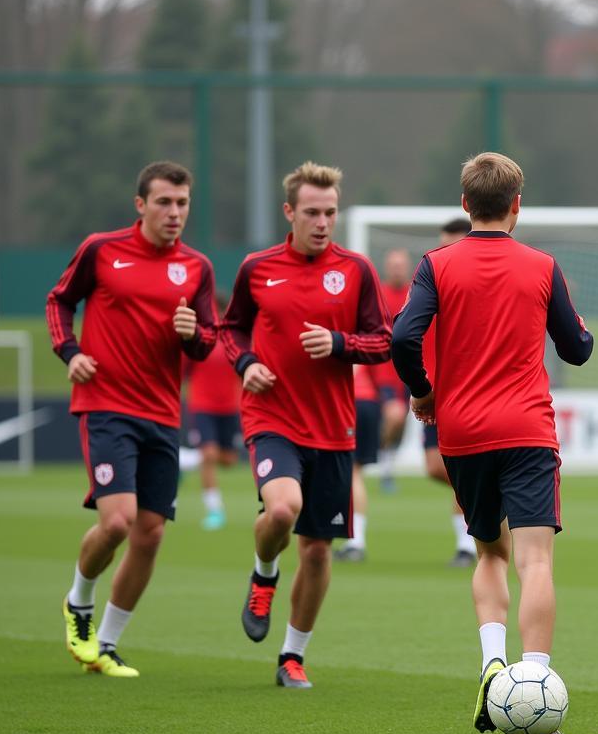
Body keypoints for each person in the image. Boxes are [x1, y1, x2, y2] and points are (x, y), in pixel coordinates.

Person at [392, 152, 593, 734]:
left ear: (464, 205)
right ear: (516, 206)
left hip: (463, 433)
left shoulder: (436, 264)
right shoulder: (541, 266)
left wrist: (424, 394)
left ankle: (492, 664)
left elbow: (404, 337)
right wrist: (581, 333)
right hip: (527, 430)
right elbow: (577, 349)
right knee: (536, 560)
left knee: (489, 552)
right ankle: (531, 680)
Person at [220, 161, 391, 689]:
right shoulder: (257, 267)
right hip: (273, 417)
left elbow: (383, 339)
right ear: (289, 212)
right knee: (282, 507)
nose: (323, 222)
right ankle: (263, 573)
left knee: (317, 548)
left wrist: (340, 344)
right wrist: (246, 364)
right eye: (312, 212)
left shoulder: (357, 270)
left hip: (334, 428)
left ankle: (292, 656)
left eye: (331, 212)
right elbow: (232, 329)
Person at [49, 161, 218, 677]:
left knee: (149, 533)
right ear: (140, 204)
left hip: (162, 412)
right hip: (105, 405)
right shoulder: (102, 249)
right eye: (164, 202)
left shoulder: (196, 267)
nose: (174, 212)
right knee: (118, 521)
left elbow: (208, 342)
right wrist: (69, 350)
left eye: (183, 203)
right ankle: (79, 603)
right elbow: (61, 301)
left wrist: (192, 333)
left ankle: (108, 644)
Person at [422, 218, 479, 568]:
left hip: (467, 393)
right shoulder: (430, 282)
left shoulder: (477, 291)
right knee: (435, 467)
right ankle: (488, 492)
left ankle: (466, 545)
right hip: (432, 392)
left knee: (462, 467)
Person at [184, 294, 244, 530]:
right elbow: (182, 370)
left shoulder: (234, 338)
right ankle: (214, 511)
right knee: (209, 455)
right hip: (202, 405)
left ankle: (184, 459)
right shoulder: (198, 337)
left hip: (230, 406)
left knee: (228, 460)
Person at [335, 364, 383, 563]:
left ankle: (355, 541)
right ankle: (354, 539)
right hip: (369, 402)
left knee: (351, 472)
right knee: (354, 472)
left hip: (347, 400)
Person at [375, 248, 414, 492]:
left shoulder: (417, 292)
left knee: (403, 422)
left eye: (401, 265)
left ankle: (387, 460)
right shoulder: (378, 294)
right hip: (386, 372)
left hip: (414, 371)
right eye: (394, 265)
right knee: (395, 416)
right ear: (387, 268)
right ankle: (385, 464)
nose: (397, 269)